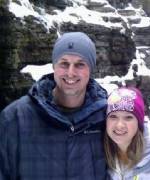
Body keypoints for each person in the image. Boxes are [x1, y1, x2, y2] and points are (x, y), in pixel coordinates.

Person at [0, 32, 108, 180]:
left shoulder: (107, 118)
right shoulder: (16, 117)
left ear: (91, 68)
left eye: (80, 64)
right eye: (64, 63)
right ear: (54, 66)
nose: (71, 73)